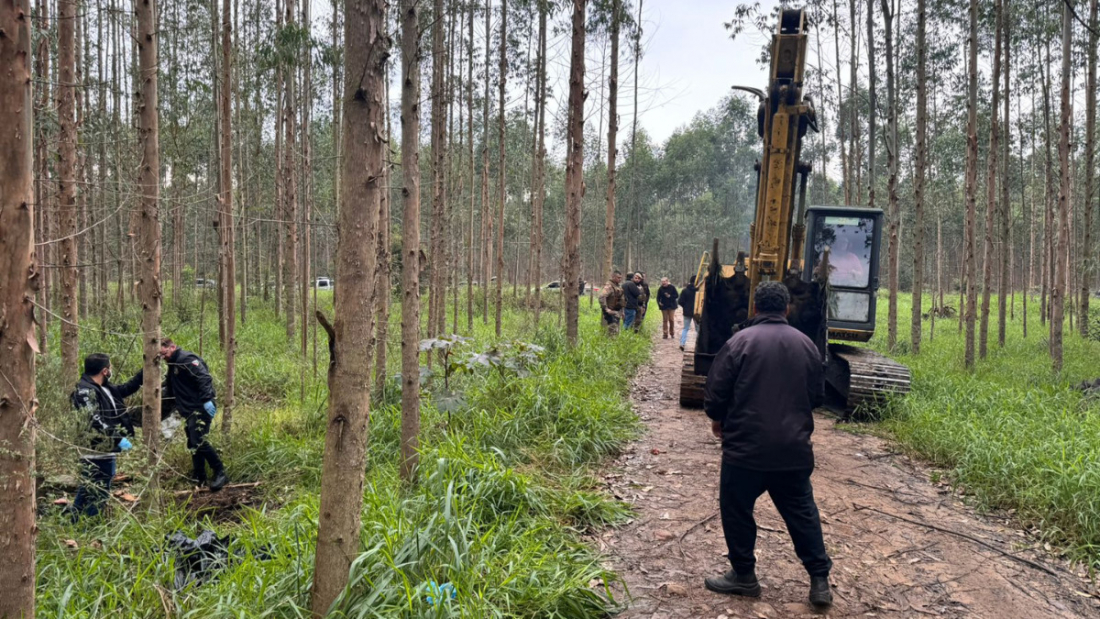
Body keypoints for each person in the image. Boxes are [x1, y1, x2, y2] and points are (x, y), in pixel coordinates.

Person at [702, 281, 832, 609]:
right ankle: (819, 581)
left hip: (745, 450)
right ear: (786, 309)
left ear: (755, 308)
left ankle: (744, 576)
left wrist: (719, 419)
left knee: (736, 509)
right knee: (803, 513)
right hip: (793, 451)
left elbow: (715, 394)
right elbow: (817, 397)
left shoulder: (739, 342)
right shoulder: (807, 346)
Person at [68, 353, 143, 519]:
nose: (111, 370)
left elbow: (125, 389)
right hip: (95, 448)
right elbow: (94, 419)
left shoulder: (104, 387)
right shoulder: (84, 391)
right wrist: (117, 438)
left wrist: (142, 374)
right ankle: (91, 523)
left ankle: (74, 520)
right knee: (99, 489)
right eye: (109, 367)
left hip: (106, 447)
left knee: (88, 486)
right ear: (104, 370)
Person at [160, 338, 228, 491]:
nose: (163, 357)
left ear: (172, 347)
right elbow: (172, 386)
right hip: (188, 410)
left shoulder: (186, 359)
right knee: (192, 442)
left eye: (164, 353)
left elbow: (203, 377)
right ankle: (199, 476)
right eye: (160, 355)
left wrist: (206, 399)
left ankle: (220, 472)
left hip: (200, 407)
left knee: (198, 441)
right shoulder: (173, 364)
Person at [598, 271, 625, 335]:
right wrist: (606, 309)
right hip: (610, 312)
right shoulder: (609, 286)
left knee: (616, 331)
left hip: (617, 311)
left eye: (621, 278)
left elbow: (622, 300)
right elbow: (602, 297)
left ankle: (614, 343)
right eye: (618, 278)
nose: (620, 279)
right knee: (612, 330)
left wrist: (622, 311)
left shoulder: (618, 287)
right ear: (613, 277)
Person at [678, 276, 697, 351]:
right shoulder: (700, 290)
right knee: (698, 329)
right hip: (697, 312)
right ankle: (698, 345)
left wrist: (685, 307)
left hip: (687, 312)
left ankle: (682, 343)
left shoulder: (685, 290)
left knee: (685, 328)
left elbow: (680, 301)